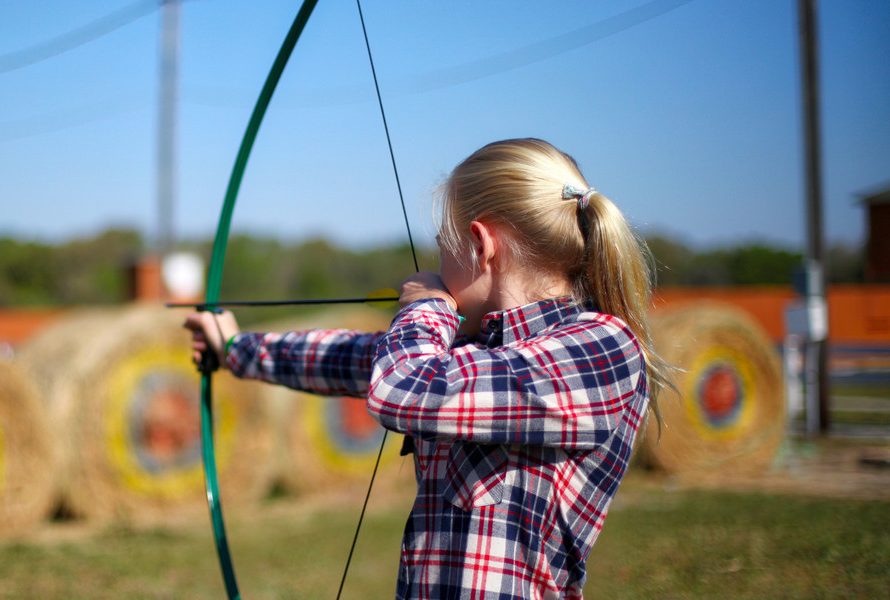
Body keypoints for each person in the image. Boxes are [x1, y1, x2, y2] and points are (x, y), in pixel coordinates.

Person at [185, 138, 673, 600]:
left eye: (443, 243)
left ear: (481, 245)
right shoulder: (475, 351)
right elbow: (353, 358)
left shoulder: (602, 348)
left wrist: (426, 305)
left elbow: (400, 387)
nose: (437, 261)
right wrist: (233, 347)